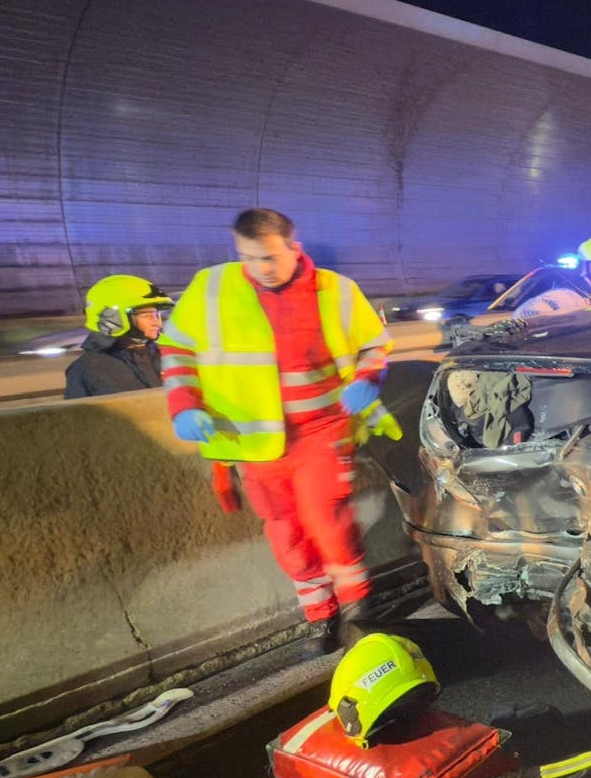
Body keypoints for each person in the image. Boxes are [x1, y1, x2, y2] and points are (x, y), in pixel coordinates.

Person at [159, 208, 396, 658]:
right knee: (286, 535)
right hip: (255, 445)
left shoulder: (336, 291)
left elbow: (374, 345)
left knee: (326, 520)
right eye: (247, 258)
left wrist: (367, 381)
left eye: (268, 257)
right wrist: (184, 405)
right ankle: (320, 615)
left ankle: (360, 613)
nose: (259, 270)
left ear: (293, 247)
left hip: (321, 431)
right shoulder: (212, 288)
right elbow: (176, 350)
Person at [64, 275, 174, 399]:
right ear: (113, 317)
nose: (157, 323)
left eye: (157, 315)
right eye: (147, 315)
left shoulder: (167, 356)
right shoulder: (88, 368)